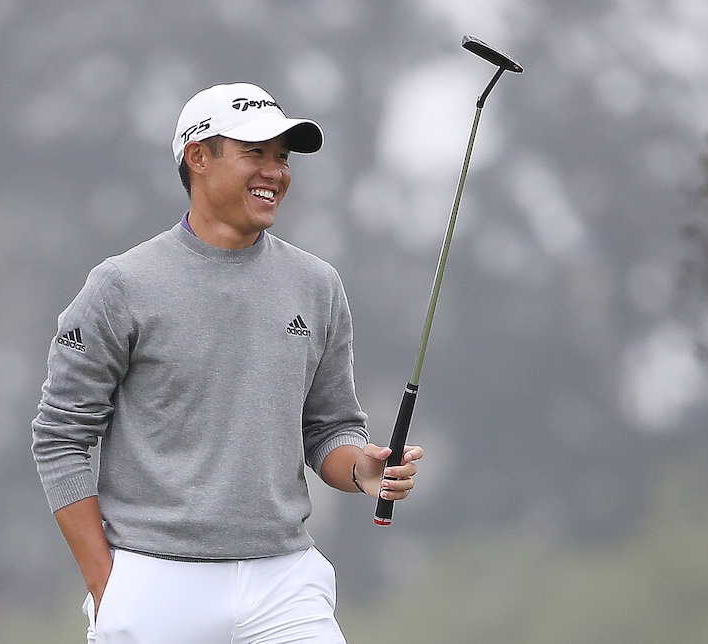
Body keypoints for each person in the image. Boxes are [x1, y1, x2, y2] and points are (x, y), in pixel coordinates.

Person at [31, 82, 424, 643]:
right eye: (255, 153)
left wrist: (364, 469)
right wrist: (106, 582)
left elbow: (330, 429)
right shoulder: (121, 285)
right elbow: (60, 437)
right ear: (198, 157)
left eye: (283, 158)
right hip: (153, 576)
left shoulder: (317, 285)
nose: (275, 172)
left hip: (284, 580)